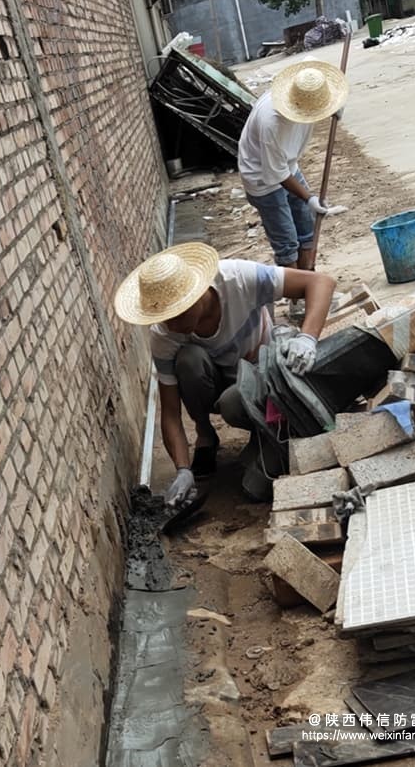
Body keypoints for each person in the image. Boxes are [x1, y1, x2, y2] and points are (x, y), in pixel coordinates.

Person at [113, 242, 335, 507]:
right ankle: (206, 434)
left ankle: (263, 430)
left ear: (195, 296)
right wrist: (183, 470)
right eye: (163, 318)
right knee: (189, 361)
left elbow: (321, 282)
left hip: (260, 372)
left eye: (175, 316)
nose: (170, 325)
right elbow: (170, 412)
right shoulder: (165, 334)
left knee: (235, 402)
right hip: (217, 378)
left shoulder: (239, 279)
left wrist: (307, 338)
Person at [238, 60, 349, 272]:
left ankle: (310, 282)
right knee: (287, 243)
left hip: (287, 166)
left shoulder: (305, 98)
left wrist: (332, 107)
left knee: (307, 230)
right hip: (262, 178)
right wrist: (309, 197)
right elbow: (277, 174)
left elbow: (284, 168)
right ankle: (296, 299)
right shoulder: (273, 122)